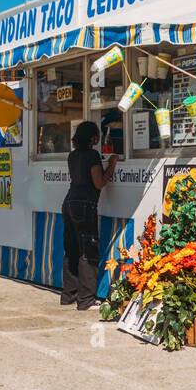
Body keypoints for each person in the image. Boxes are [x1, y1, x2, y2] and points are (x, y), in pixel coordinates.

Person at [61, 120, 116, 310]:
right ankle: (86, 300)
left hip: (68, 203)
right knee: (88, 251)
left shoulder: (72, 155)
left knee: (72, 250)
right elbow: (99, 183)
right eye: (97, 136)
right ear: (92, 138)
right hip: (84, 206)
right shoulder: (92, 155)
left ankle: (69, 295)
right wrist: (112, 165)